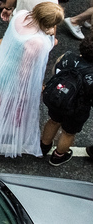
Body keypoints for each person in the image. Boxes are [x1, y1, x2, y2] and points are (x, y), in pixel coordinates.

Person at [0, 3, 64, 157]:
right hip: (16, 76)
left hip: (4, 66)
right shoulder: (37, 42)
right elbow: (26, 69)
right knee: (13, 105)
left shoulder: (20, 15)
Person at [39, 36, 93, 165]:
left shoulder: (67, 57)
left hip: (59, 98)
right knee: (68, 132)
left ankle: (43, 147)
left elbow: (55, 72)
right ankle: (58, 156)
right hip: (78, 108)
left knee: (53, 121)